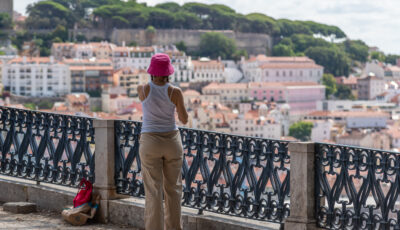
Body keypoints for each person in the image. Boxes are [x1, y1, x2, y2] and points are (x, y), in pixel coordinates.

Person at [137, 53, 188, 230]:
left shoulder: (142, 89)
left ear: (152, 71)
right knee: (173, 189)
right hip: (172, 141)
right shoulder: (175, 92)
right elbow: (184, 119)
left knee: (153, 191)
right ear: (168, 72)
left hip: (150, 140)